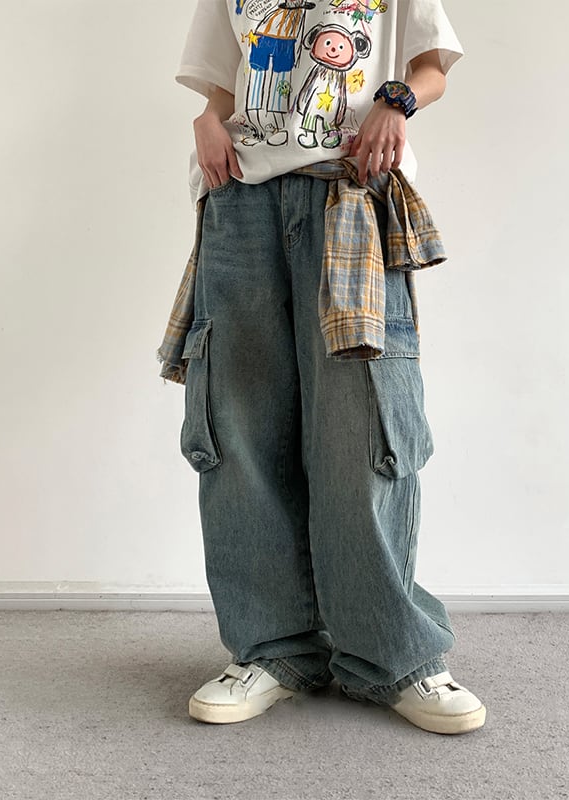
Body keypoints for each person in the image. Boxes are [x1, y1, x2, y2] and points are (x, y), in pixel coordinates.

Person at [157, 0, 486, 735]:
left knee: (363, 429)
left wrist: (396, 101)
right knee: (238, 426)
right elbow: (222, 82)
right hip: (241, 202)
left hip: (349, 193)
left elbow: (431, 67)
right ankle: (272, 650)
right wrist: (207, 120)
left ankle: (393, 656)